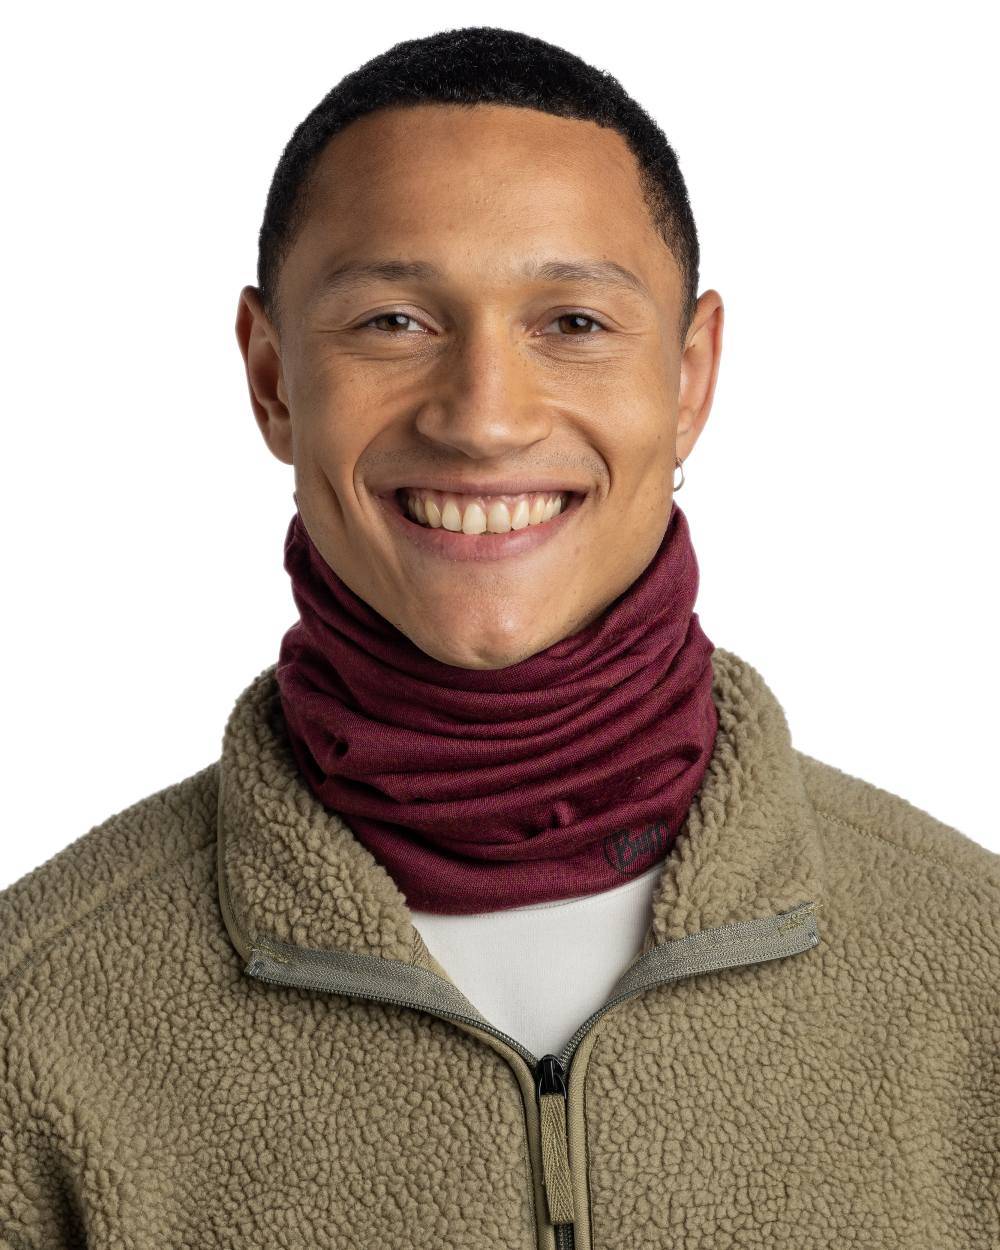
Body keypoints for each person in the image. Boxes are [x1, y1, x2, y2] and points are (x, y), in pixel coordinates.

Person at [2, 25, 997, 1250]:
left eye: (571, 322)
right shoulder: (35, 1017)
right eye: (393, 321)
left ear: (689, 378)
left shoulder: (973, 970)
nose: (482, 418)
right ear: (271, 378)